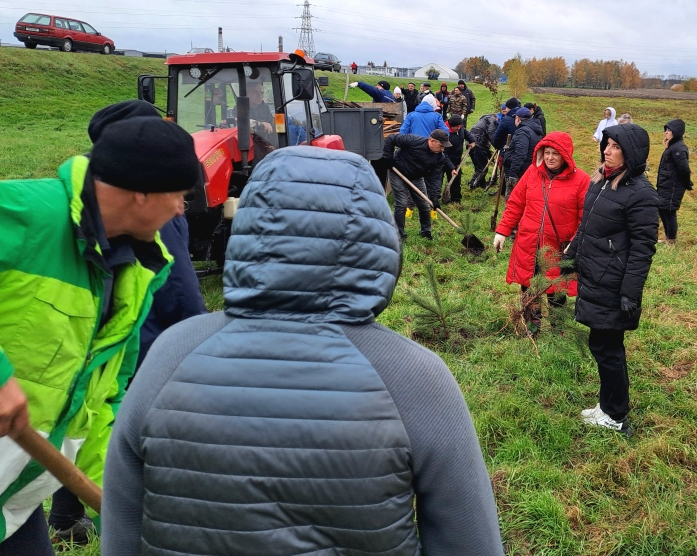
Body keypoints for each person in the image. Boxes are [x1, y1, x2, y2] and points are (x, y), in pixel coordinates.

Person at [101, 148, 504, 556]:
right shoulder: (415, 377)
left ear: (250, 227)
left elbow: (122, 530)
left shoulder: (172, 353)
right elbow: (471, 542)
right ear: (375, 238)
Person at [0, 117, 199, 556]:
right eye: (180, 196)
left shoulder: (139, 271)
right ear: (142, 193)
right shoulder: (29, 212)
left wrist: (129, 513)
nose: (181, 210)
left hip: (14, 497)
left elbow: (102, 405)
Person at [46, 102, 210, 546]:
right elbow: (180, 289)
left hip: (102, 354)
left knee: (85, 419)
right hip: (148, 348)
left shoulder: (96, 207)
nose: (180, 206)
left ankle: (67, 516)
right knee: (127, 435)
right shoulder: (149, 207)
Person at [561, 123, 658, 437]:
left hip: (613, 284)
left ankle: (616, 415)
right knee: (603, 345)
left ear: (631, 153)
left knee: (607, 348)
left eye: (616, 146)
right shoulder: (602, 180)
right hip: (595, 275)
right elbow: (587, 226)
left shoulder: (641, 194)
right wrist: (571, 256)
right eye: (607, 144)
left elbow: (643, 249)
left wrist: (630, 292)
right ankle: (608, 406)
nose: (608, 150)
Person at [494, 132, 590, 333]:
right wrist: (502, 231)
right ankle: (532, 326)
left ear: (566, 155)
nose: (550, 158)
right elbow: (515, 203)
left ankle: (558, 328)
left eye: (555, 153)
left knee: (556, 288)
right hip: (529, 242)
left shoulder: (581, 180)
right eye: (547, 153)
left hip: (559, 247)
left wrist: (575, 243)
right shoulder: (532, 173)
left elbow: (586, 218)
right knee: (529, 285)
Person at [383, 129, 457, 240]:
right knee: (402, 203)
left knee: (424, 205)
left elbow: (435, 178)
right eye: (441, 146)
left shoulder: (439, 157)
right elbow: (391, 138)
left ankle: (426, 232)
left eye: (444, 147)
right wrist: (388, 157)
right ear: (432, 141)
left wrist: (434, 197)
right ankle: (399, 234)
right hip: (398, 172)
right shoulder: (413, 141)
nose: (442, 149)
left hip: (416, 177)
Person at [656, 119, 693, 245]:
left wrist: (687, 183)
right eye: (665, 129)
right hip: (666, 184)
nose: (666, 132)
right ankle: (668, 237)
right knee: (662, 209)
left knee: (669, 211)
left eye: (669, 130)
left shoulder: (679, 148)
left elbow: (684, 169)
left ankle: (671, 240)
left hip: (672, 186)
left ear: (676, 131)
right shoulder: (673, 145)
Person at [503, 107, 544, 194]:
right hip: (529, 169)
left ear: (517, 118)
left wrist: (513, 174)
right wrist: (509, 149)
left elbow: (520, 154)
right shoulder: (534, 129)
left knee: (513, 198)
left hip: (520, 172)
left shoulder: (522, 132)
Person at [443, 115, 475, 203]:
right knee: (438, 180)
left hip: (456, 159)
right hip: (443, 160)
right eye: (456, 127)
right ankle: (436, 199)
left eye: (460, 126)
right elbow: (444, 154)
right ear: (450, 125)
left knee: (456, 181)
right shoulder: (444, 133)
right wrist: (451, 168)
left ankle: (456, 199)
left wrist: (472, 141)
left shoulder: (460, 128)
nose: (458, 128)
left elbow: (465, 132)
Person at [468, 112, 499, 187]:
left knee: (479, 166)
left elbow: (486, 146)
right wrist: (497, 145)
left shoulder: (483, 120)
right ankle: (473, 183)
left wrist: (490, 156)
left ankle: (481, 183)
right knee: (482, 167)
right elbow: (491, 133)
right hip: (478, 144)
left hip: (470, 143)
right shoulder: (491, 119)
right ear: (496, 117)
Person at [247, 80, 278, 149]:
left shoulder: (265, 107)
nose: (259, 96)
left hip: (265, 143)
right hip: (249, 144)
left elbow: (272, 127)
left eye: (261, 92)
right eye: (255, 92)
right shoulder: (240, 108)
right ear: (247, 94)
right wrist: (260, 123)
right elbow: (241, 124)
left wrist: (274, 145)